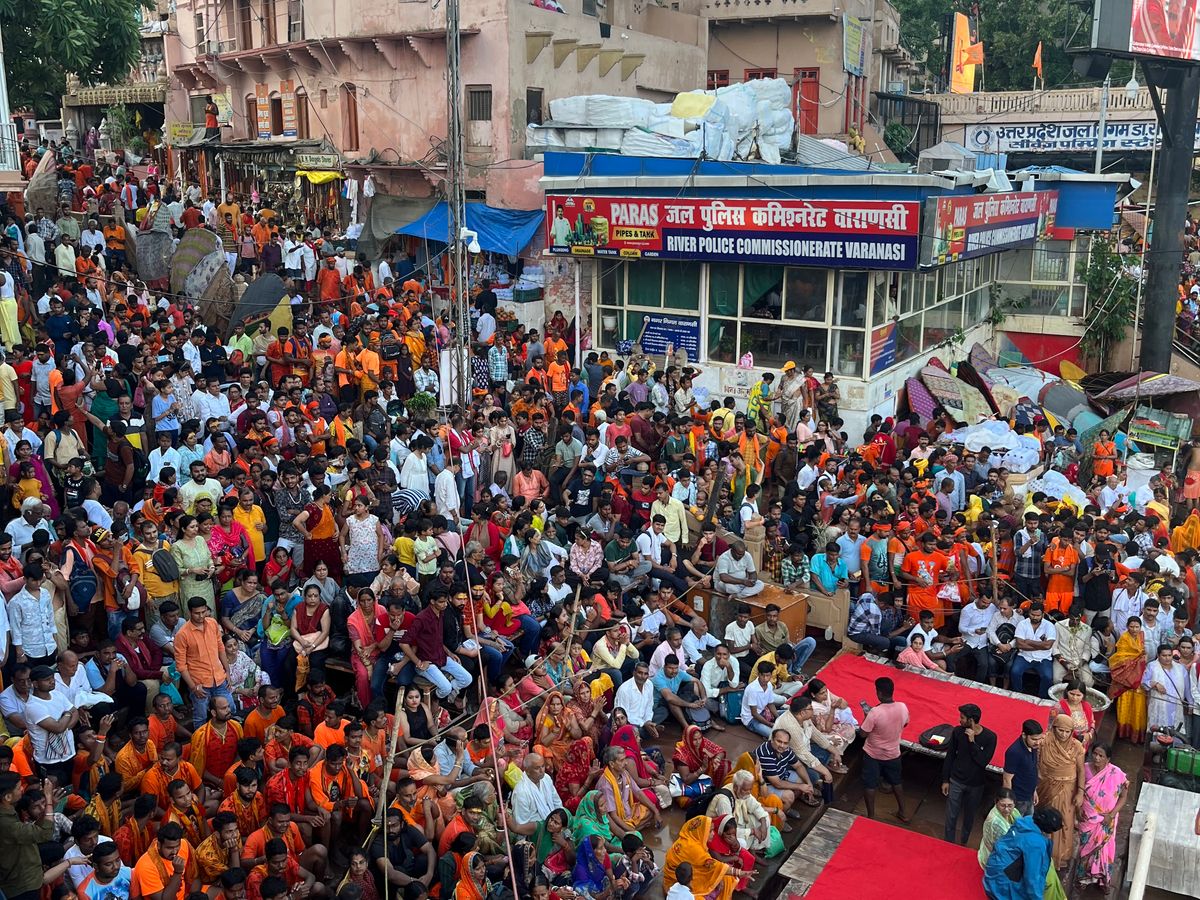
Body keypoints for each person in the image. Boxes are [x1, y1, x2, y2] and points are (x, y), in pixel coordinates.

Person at [941, 703, 997, 845]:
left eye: (962, 718)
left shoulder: (990, 737)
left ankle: (963, 843)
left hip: (976, 784)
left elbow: (983, 761)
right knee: (951, 815)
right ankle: (948, 843)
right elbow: (950, 756)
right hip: (956, 780)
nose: (960, 720)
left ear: (971, 720)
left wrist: (972, 743)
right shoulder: (957, 732)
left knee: (969, 817)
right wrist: (945, 779)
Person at [1075, 742, 1128, 890]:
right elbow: (1077, 792)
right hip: (1088, 818)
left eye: (1101, 756)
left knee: (1104, 848)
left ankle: (1102, 879)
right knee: (1086, 848)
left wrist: (1111, 815)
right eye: (1095, 754)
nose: (1097, 758)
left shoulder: (1117, 774)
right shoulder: (1084, 769)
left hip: (1107, 820)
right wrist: (1077, 810)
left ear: (1108, 759)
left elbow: (1123, 797)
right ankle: (1084, 877)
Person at [1037, 714, 1086, 870]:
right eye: (1061, 730)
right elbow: (1036, 763)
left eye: (1067, 731)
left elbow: (1081, 770)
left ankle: (1061, 856)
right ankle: (1043, 854)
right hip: (1046, 787)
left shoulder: (1077, 747)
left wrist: (1080, 792)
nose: (1064, 734)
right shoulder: (1044, 742)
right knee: (1045, 818)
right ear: (1054, 728)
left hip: (1067, 790)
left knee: (1065, 821)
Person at [983, 807, 1063, 900]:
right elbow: (1032, 878)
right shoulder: (1036, 843)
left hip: (994, 872)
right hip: (1002, 886)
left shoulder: (1026, 821)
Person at [860, 676, 909, 822]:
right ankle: (903, 812)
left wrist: (866, 717)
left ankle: (871, 816)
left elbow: (863, 734)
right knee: (896, 782)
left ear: (879, 693)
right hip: (893, 753)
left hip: (873, 754)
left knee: (869, 785)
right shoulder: (902, 707)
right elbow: (905, 723)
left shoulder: (875, 712)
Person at [663, 817, 740, 900]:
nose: (713, 834)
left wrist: (718, 877)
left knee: (726, 878)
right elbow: (711, 864)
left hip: (689, 874)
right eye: (710, 831)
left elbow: (706, 865)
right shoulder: (693, 847)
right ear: (702, 832)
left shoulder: (696, 841)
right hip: (676, 881)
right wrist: (740, 872)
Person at [1001, 720, 1043, 816]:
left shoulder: (1033, 747)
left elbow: (1032, 769)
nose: (1038, 742)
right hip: (1018, 800)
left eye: (1039, 739)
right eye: (1034, 739)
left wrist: (1034, 791)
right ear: (1024, 735)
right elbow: (1007, 779)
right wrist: (1008, 802)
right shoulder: (1014, 752)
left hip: (1029, 796)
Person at [977, 789, 1020, 869]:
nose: (1006, 809)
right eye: (1003, 805)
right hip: (994, 857)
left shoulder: (1014, 812)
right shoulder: (995, 822)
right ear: (996, 803)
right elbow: (1009, 844)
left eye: (1010, 805)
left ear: (1014, 803)